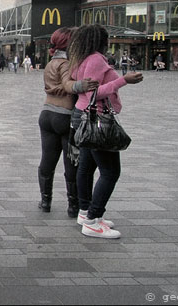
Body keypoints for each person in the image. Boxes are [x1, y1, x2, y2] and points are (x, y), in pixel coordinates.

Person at [68, 25, 143, 240]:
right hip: (96, 119)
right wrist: (123, 80)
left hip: (83, 115)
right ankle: (93, 219)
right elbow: (95, 93)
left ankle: (85, 212)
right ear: (100, 40)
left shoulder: (81, 59)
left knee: (87, 165)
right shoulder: (95, 60)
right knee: (110, 171)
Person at [38, 28, 98, 217]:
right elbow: (66, 84)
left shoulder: (51, 62)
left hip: (46, 114)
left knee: (48, 160)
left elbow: (54, 86)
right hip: (64, 116)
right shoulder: (65, 63)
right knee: (71, 161)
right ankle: (73, 205)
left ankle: (45, 201)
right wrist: (81, 85)